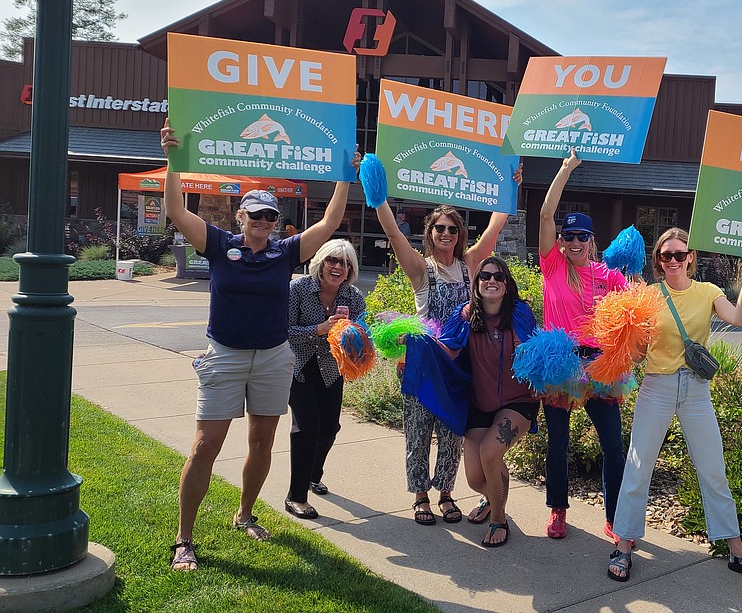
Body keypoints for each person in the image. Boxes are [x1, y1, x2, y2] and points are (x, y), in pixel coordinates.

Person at [160, 119, 353, 571]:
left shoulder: (284, 252)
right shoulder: (217, 242)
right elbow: (175, 210)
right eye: (255, 214)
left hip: (272, 358)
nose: (263, 221)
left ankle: (244, 514)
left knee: (263, 442)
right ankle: (183, 539)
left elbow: (330, 223)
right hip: (224, 356)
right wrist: (173, 159)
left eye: (271, 215)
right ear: (240, 216)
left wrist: (345, 173)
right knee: (205, 445)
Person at [606, 228, 742, 584]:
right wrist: (629, 336)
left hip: (696, 388)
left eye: (679, 255)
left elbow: (739, 318)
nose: (672, 261)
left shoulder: (708, 292)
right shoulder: (649, 296)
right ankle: (623, 546)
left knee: (713, 469)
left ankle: (737, 552)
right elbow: (637, 356)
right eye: (665, 255)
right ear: (658, 260)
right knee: (638, 467)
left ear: (690, 258)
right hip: (657, 385)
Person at [371, 165, 522, 526]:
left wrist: (509, 185)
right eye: (440, 228)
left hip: (459, 366)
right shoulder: (421, 269)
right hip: (424, 364)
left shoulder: (471, 265)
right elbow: (393, 233)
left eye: (453, 229)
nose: (446, 233)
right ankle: (421, 495)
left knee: (454, 433)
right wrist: (376, 194)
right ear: (430, 233)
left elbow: (495, 227)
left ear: (459, 235)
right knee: (419, 431)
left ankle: (446, 493)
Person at [538, 147, 630, 541]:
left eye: (582, 236)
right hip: (560, 364)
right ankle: (558, 511)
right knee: (558, 444)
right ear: (561, 240)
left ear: (592, 240)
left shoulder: (607, 275)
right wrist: (565, 168)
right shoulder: (552, 265)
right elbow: (544, 214)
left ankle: (614, 516)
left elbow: (633, 314)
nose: (575, 241)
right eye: (568, 235)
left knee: (613, 445)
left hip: (599, 368)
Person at [433, 256, 539, 547]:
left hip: (518, 401)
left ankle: (499, 519)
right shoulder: (466, 314)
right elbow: (448, 349)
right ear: (477, 284)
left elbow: (530, 347)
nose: (491, 280)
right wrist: (414, 342)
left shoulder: (519, 312)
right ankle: (493, 499)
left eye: (498, 277)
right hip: (480, 403)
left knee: (491, 453)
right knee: (474, 478)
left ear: (506, 285)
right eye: (484, 276)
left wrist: (525, 349)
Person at [284, 239, 365, 519]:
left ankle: (312, 474)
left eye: (344, 263)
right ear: (320, 261)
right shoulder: (298, 289)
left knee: (330, 427)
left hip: (331, 370)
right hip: (299, 367)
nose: (337, 267)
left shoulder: (352, 296)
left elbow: (363, 332)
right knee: (307, 425)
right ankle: (296, 496)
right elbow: (282, 330)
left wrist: (356, 335)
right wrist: (318, 329)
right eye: (332, 260)